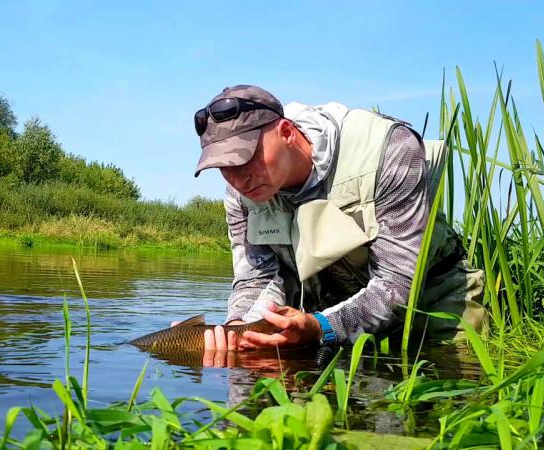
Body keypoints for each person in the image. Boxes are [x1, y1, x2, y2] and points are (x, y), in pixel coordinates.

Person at [189, 85, 486, 359]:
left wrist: (320, 327)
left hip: (432, 303)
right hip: (321, 315)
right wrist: (239, 329)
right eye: (225, 166)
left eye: (247, 158)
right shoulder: (240, 195)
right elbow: (256, 278)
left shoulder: (390, 148)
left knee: (454, 382)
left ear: (287, 132)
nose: (239, 179)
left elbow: (398, 285)